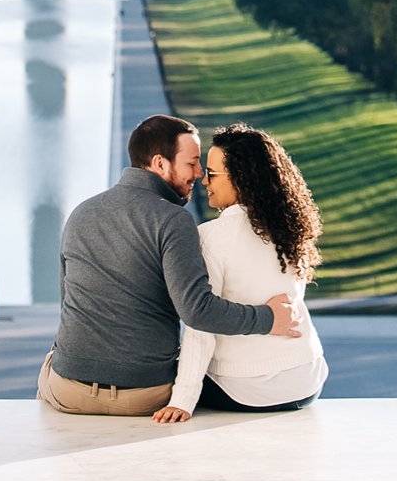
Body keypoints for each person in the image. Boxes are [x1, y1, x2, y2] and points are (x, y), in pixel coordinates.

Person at [36, 113, 301, 416]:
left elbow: (68, 302)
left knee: (50, 367)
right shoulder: (174, 221)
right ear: (160, 164)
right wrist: (268, 319)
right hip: (146, 395)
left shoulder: (80, 213)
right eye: (191, 163)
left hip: (68, 390)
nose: (199, 174)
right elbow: (197, 311)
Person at [154, 126, 327, 421]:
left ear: (241, 178)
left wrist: (182, 400)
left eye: (213, 174)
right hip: (307, 380)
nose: (204, 180)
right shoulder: (291, 228)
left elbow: (202, 323)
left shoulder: (211, 237)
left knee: (153, 374)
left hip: (245, 390)